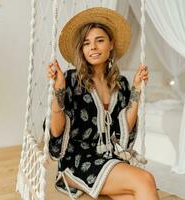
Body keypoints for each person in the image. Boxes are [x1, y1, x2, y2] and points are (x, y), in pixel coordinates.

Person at [45, 7, 159, 200]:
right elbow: (56, 132)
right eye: (86, 43)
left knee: (135, 196)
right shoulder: (71, 80)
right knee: (145, 179)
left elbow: (123, 132)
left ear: (111, 44)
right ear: (82, 49)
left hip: (108, 159)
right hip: (76, 162)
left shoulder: (120, 83)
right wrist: (59, 90)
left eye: (100, 40)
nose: (93, 48)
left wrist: (136, 90)